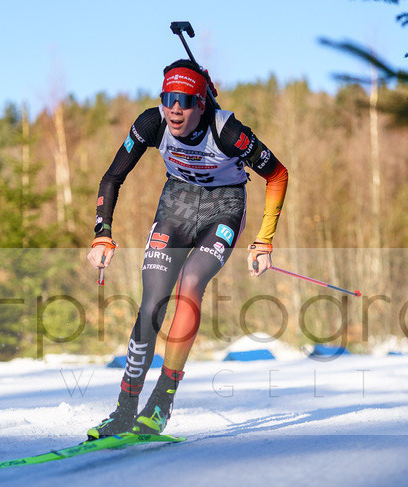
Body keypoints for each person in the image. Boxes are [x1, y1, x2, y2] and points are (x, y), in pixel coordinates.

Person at [86, 58, 288, 439]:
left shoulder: (227, 131)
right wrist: (102, 232)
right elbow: (112, 176)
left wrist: (264, 240)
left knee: (190, 284)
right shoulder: (152, 123)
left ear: (202, 103)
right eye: (168, 98)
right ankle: (124, 409)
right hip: (176, 205)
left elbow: (277, 174)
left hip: (224, 208)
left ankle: (162, 400)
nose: (175, 109)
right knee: (152, 302)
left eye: (185, 100)